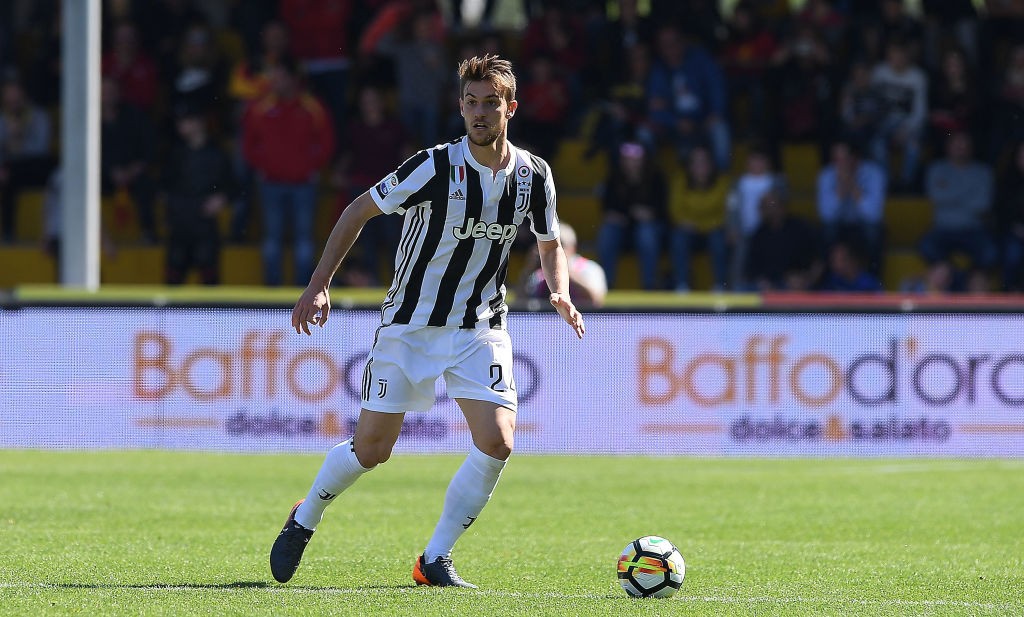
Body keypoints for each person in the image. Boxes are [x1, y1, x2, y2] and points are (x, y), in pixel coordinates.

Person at [270, 54, 586, 589]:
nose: (480, 113)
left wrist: (559, 290)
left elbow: (549, 240)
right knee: (372, 450)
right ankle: (306, 516)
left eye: (491, 103)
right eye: (471, 103)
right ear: (459, 107)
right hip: (410, 327)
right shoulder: (434, 166)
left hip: (480, 327)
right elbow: (357, 211)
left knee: (499, 441)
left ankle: (434, 558)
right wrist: (320, 282)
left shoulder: (534, 175)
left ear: (511, 107)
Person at [242, 56, 335, 286]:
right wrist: (264, 165)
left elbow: (327, 142)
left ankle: (303, 293)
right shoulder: (260, 107)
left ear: (294, 79)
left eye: (280, 77)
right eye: (274, 76)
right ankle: (272, 296)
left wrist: (310, 166)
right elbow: (247, 144)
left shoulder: (312, 107)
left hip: (304, 183)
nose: (275, 81)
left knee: (304, 241)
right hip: (270, 183)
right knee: (272, 241)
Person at [161, 105, 235, 285]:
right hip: (179, 222)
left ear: (199, 123)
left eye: (186, 121)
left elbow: (232, 186)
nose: (181, 126)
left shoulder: (217, 153)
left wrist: (221, 199)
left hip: (205, 223)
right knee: (174, 275)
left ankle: (213, 314)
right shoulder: (174, 153)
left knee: (209, 275)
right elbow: (163, 186)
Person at [918, 131, 996, 291]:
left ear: (971, 148)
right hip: (943, 228)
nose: (961, 148)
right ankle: (954, 276)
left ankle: (968, 280)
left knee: (990, 252)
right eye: (957, 144)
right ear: (948, 147)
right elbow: (936, 196)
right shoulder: (936, 169)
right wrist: (968, 193)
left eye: (965, 144)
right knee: (926, 245)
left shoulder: (983, 172)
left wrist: (950, 194)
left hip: (973, 228)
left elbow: (982, 204)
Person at [596, 141, 667, 290]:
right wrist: (628, 214)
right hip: (621, 228)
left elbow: (662, 211)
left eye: (636, 159)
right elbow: (608, 209)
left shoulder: (656, 178)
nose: (632, 163)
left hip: (649, 228)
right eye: (628, 159)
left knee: (646, 233)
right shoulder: (613, 177)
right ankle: (606, 285)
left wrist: (649, 214)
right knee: (608, 232)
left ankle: (650, 284)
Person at [816, 138, 887, 273]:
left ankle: (872, 282)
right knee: (825, 232)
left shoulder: (874, 173)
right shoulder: (826, 175)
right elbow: (826, 216)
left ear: (855, 158)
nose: (838, 163)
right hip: (839, 225)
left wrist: (853, 187)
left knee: (874, 232)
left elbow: (873, 216)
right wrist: (841, 190)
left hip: (863, 225)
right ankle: (828, 284)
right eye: (835, 159)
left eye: (842, 159)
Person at [667, 145, 731, 291]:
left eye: (703, 162)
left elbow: (725, 213)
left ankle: (720, 285)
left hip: (714, 229)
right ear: (689, 166)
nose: (700, 166)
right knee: (678, 238)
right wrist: (689, 223)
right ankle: (682, 285)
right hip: (689, 229)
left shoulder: (722, 182)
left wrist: (701, 224)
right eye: (695, 162)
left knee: (718, 239)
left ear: (711, 164)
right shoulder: (680, 181)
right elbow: (675, 211)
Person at [0, 79, 55, 244]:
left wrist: (19, 136)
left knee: (54, 172)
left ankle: (52, 233)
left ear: (24, 96)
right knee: (7, 178)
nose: (13, 103)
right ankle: (8, 232)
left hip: (35, 167)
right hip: (10, 170)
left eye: (16, 99)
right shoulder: (2, 120)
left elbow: (41, 148)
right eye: (9, 100)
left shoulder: (39, 117)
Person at [521, 222, 607, 307]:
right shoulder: (539, 274)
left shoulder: (589, 268)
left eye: (559, 245)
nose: (552, 250)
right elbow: (519, 302)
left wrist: (564, 272)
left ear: (572, 248)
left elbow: (597, 301)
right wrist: (529, 268)